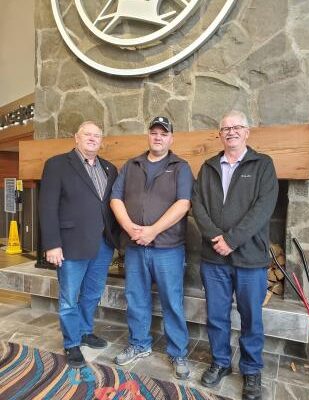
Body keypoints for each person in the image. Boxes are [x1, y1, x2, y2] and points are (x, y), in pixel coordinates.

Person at [192, 110, 278, 400]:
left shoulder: (263, 165)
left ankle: (251, 371)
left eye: (237, 127)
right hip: (214, 258)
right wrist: (216, 238)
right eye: (225, 128)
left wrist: (231, 240)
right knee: (216, 316)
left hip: (250, 260)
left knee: (251, 318)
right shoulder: (208, 167)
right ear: (219, 134)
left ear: (247, 132)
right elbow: (197, 205)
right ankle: (220, 362)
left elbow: (264, 209)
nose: (231, 131)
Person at [110, 116, 193, 379]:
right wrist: (130, 228)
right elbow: (115, 198)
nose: (158, 137)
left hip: (168, 248)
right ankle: (139, 344)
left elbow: (183, 204)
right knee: (136, 298)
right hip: (135, 246)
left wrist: (152, 231)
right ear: (149, 135)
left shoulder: (181, 166)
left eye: (163, 133)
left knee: (172, 302)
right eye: (154, 132)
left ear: (171, 138)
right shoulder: (131, 165)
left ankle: (178, 352)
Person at [39, 121, 119, 368]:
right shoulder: (57, 165)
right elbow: (47, 206)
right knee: (69, 298)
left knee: (92, 294)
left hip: (103, 244)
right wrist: (52, 244)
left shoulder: (109, 168)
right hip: (70, 244)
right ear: (76, 137)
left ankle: (85, 331)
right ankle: (72, 343)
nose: (93, 139)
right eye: (88, 134)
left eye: (97, 135)